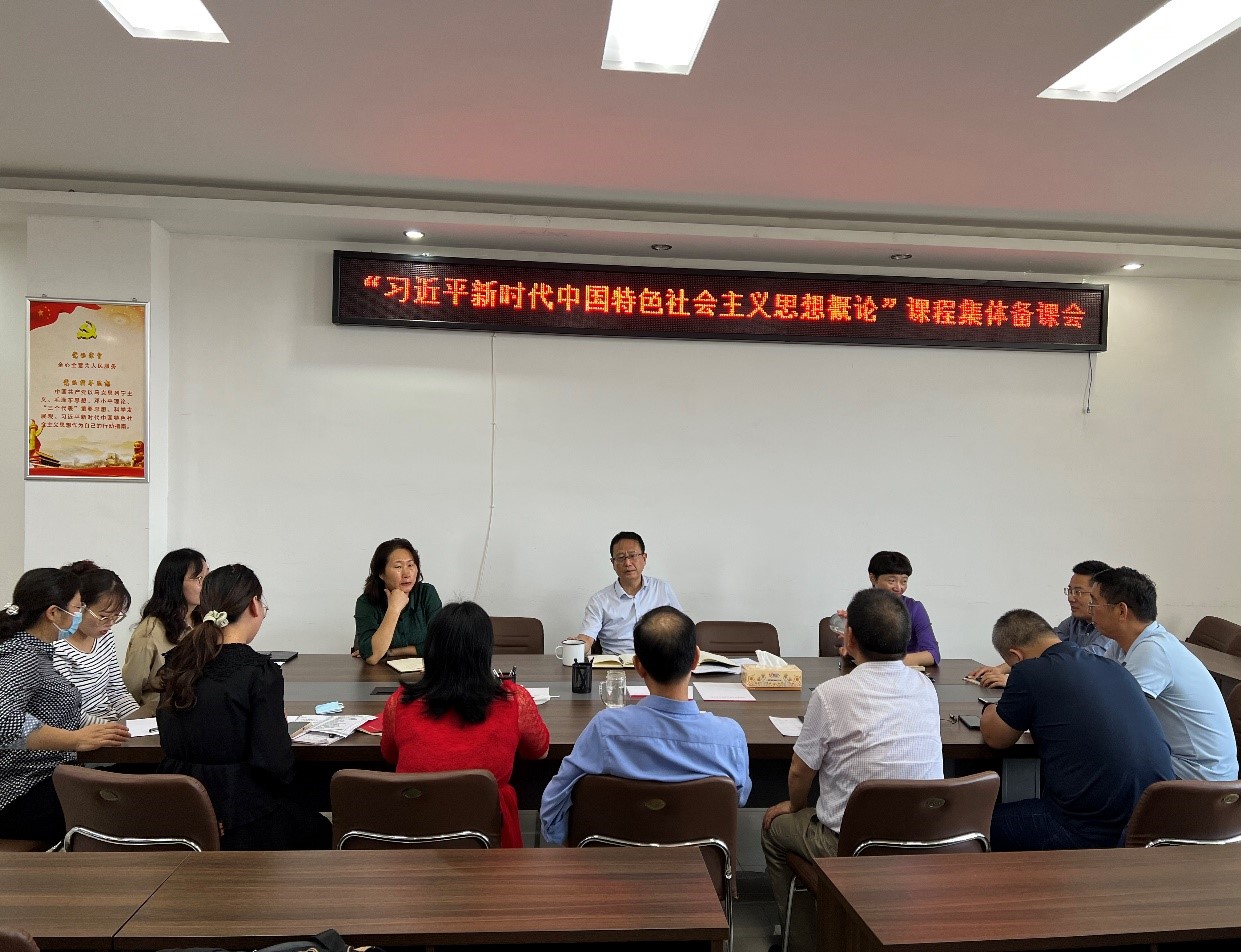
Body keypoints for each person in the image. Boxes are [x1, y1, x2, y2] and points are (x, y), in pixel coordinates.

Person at [762, 588, 942, 952]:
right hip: (922, 837)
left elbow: (799, 772)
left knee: (774, 829)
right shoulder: (925, 687)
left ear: (850, 638)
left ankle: (802, 943)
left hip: (852, 845)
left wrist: (795, 806)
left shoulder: (832, 693)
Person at [156, 564, 330, 850]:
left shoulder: (178, 661)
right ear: (254, 605)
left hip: (180, 809)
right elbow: (275, 764)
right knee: (323, 827)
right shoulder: (259, 672)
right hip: (240, 815)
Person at [541, 605, 749, 844]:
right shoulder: (730, 737)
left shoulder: (606, 730)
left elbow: (553, 806)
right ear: (696, 659)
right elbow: (737, 799)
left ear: (638, 665)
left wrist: (570, 849)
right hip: (700, 864)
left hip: (613, 864)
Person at [981, 609, 1174, 850]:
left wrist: (989, 709)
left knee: (970, 826)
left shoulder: (1029, 671)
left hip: (1086, 830)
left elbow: (996, 738)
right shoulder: (1114, 668)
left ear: (1016, 656)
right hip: (1153, 824)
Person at [380, 601, 549, 847]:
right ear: (485, 651)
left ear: (431, 649)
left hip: (417, 843)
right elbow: (540, 751)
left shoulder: (399, 702)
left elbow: (389, 755)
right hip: (488, 844)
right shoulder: (515, 700)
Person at [0, 569, 130, 841]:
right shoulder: (21, 655)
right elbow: (6, 722)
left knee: (138, 787)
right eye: (77, 608)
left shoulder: (38, 651)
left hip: (51, 776)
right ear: (53, 613)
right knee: (127, 807)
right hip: (22, 788)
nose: (79, 615)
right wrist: (75, 739)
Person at [1089, 567, 1237, 782]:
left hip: (1200, 776)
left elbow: (1112, 712)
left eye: (1094, 602)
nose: (1090, 609)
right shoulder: (1121, 645)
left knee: (1097, 755)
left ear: (1121, 611)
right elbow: (1094, 689)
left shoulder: (1153, 650)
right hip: (1176, 762)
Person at [968, 560, 1118, 688]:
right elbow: (1039, 647)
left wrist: (1016, 681)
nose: (1070, 598)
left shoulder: (1110, 629)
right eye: (1069, 591)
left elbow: (1076, 663)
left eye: (1078, 592)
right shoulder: (1074, 621)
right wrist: (999, 670)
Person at [52, 561, 139, 725]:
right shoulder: (58, 648)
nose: (110, 623)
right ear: (79, 607)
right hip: (81, 729)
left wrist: (140, 721)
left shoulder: (105, 637)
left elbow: (117, 691)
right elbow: (67, 712)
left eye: (116, 616)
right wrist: (114, 729)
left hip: (109, 722)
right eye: (104, 616)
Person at [122, 548, 208, 707]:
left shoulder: (203, 623)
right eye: (198, 578)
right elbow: (130, 689)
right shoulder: (150, 631)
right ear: (175, 583)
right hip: (159, 713)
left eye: (207, 577)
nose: (206, 584)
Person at [572, 531, 682, 655]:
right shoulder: (599, 601)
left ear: (644, 558)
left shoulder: (662, 589)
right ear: (613, 563)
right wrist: (576, 646)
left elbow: (682, 628)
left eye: (633, 555)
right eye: (620, 557)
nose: (628, 563)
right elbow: (587, 637)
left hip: (657, 661)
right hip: (616, 663)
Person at [354, 538, 442, 665]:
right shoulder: (366, 603)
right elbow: (372, 657)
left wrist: (392, 652)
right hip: (380, 674)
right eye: (398, 567)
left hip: (422, 673)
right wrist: (394, 609)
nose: (406, 574)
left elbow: (441, 645)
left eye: (411, 565)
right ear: (381, 573)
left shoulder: (427, 593)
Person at [864, 551, 940, 666]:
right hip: (869, 672)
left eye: (904, 581)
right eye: (892, 581)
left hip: (904, 672)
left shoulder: (914, 608)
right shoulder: (861, 607)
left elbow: (933, 654)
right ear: (873, 578)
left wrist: (889, 662)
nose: (899, 588)